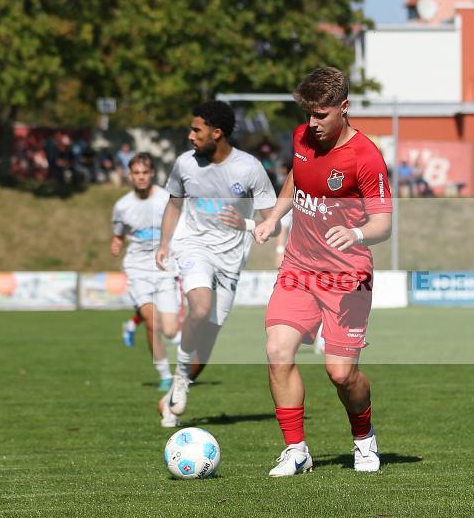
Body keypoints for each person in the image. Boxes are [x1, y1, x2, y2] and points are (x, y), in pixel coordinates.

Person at [253, 66, 392, 476]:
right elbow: (296, 179)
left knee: (341, 374)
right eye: (308, 114)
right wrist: (274, 217)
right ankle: (296, 450)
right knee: (277, 352)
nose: (311, 124)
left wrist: (356, 233)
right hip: (299, 268)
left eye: (321, 115)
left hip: (347, 278)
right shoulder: (301, 138)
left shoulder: (365, 157)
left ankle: (364, 439)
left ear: (344, 108)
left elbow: (384, 223)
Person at [155, 100, 278, 428]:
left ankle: (176, 390)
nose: (190, 135)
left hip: (230, 261)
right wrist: (165, 243)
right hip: (194, 247)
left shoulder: (249, 168)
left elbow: (273, 222)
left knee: (206, 346)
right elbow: (173, 205)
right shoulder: (184, 165)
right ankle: (179, 376)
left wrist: (248, 226)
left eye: (197, 129)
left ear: (217, 133)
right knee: (198, 308)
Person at [111, 153, 181, 393]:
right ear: (130, 176)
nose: (141, 177)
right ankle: (164, 375)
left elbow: (181, 228)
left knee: (171, 330)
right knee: (153, 321)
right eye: (136, 173)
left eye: (145, 172)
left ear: (152, 174)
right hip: (137, 269)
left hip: (164, 268)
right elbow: (119, 231)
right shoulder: (122, 206)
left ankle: (132, 324)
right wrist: (117, 242)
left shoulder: (166, 199)